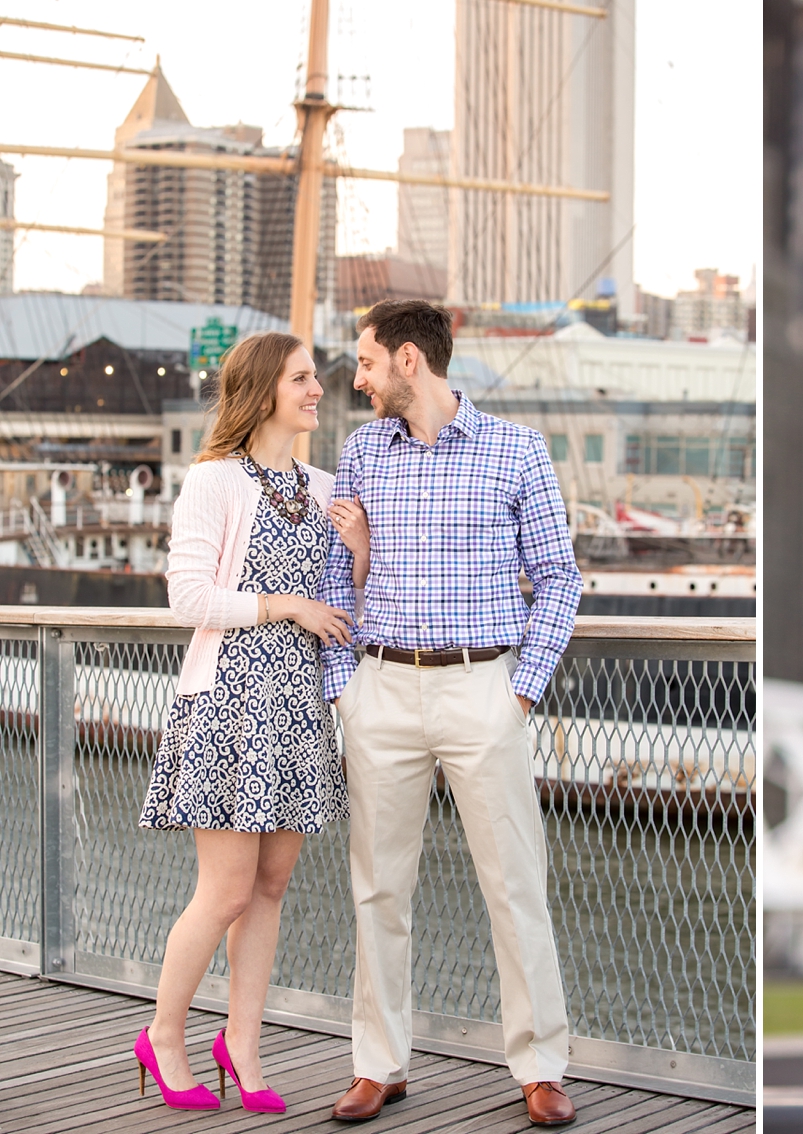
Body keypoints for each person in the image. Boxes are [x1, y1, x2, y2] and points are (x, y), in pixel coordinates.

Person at [317, 299, 582, 1127]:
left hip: (484, 690)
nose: (354, 380)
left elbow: (560, 578)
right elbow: (333, 578)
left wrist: (520, 691)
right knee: (377, 891)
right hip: (382, 690)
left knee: (515, 887)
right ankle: (378, 1065)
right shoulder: (361, 453)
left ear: (406, 361)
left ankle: (540, 1067)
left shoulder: (516, 451)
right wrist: (343, 690)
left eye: (363, 363)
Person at [136, 331, 364, 1112]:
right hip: (231, 699)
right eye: (303, 378)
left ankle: (242, 1045)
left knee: (271, 886)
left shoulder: (324, 483)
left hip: (297, 706)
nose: (316, 390)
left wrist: (359, 553)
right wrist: (282, 605)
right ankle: (164, 1036)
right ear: (265, 388)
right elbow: (188, 597)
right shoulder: (215, 481)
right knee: (226, 890)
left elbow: (347, 606)